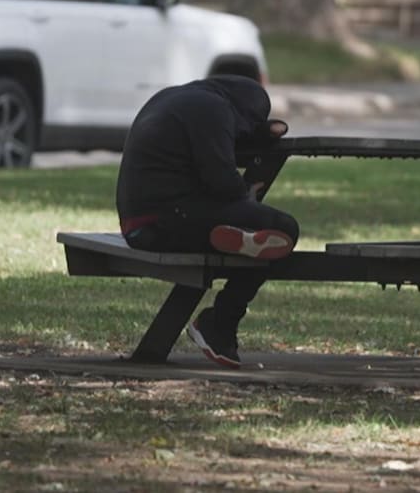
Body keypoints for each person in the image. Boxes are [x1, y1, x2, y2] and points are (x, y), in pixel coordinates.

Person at [115, 75, 299, 368]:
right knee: (282, 231)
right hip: (170, 220)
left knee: (260, 240)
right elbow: (222, 181)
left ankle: (237, 241)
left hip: (140, 225)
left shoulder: (176, 98)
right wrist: (245, 194)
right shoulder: (213, 110)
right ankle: (219, 324)